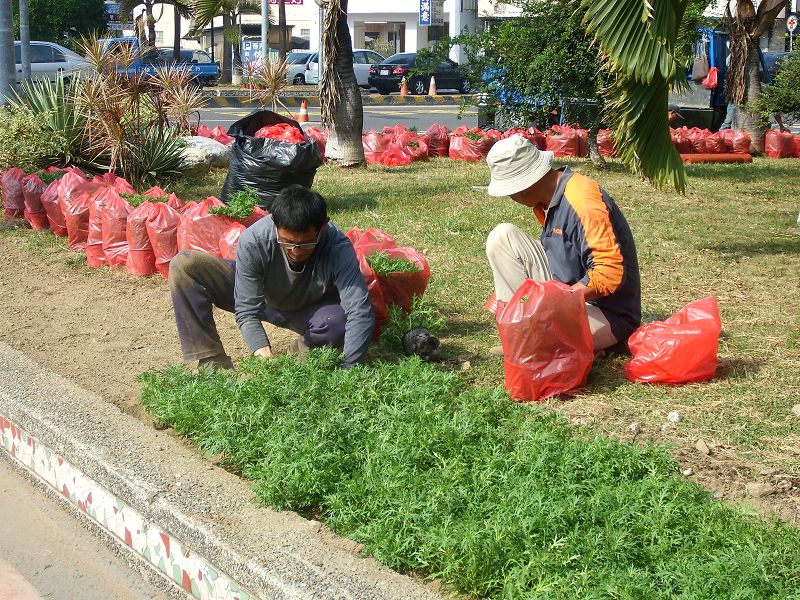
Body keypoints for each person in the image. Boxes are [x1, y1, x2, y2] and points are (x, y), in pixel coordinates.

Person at [169, 185, 376, 370]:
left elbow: (359, 310)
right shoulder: (255, 240)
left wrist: (351, 369)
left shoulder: (337, 247)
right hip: (263, 296)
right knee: (185, 265)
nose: (295, 251)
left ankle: (297, 356)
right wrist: (261, 353)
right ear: (275, 225)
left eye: (305, 244)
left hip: (310, 309)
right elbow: (246, 310)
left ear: (323, 227)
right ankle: (211, 359)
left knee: (338, 322)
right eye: (287, 242)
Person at [484, 135, 641, 355]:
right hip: (567, 291)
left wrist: (552, 301)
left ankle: (593, 343)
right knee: (502, 237)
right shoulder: (549, 197)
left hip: (605, 311)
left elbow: (610, 274)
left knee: (541, 343)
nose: (511, 197)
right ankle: (522, 331)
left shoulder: (582, 201)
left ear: (525, 185)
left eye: (510, 192)